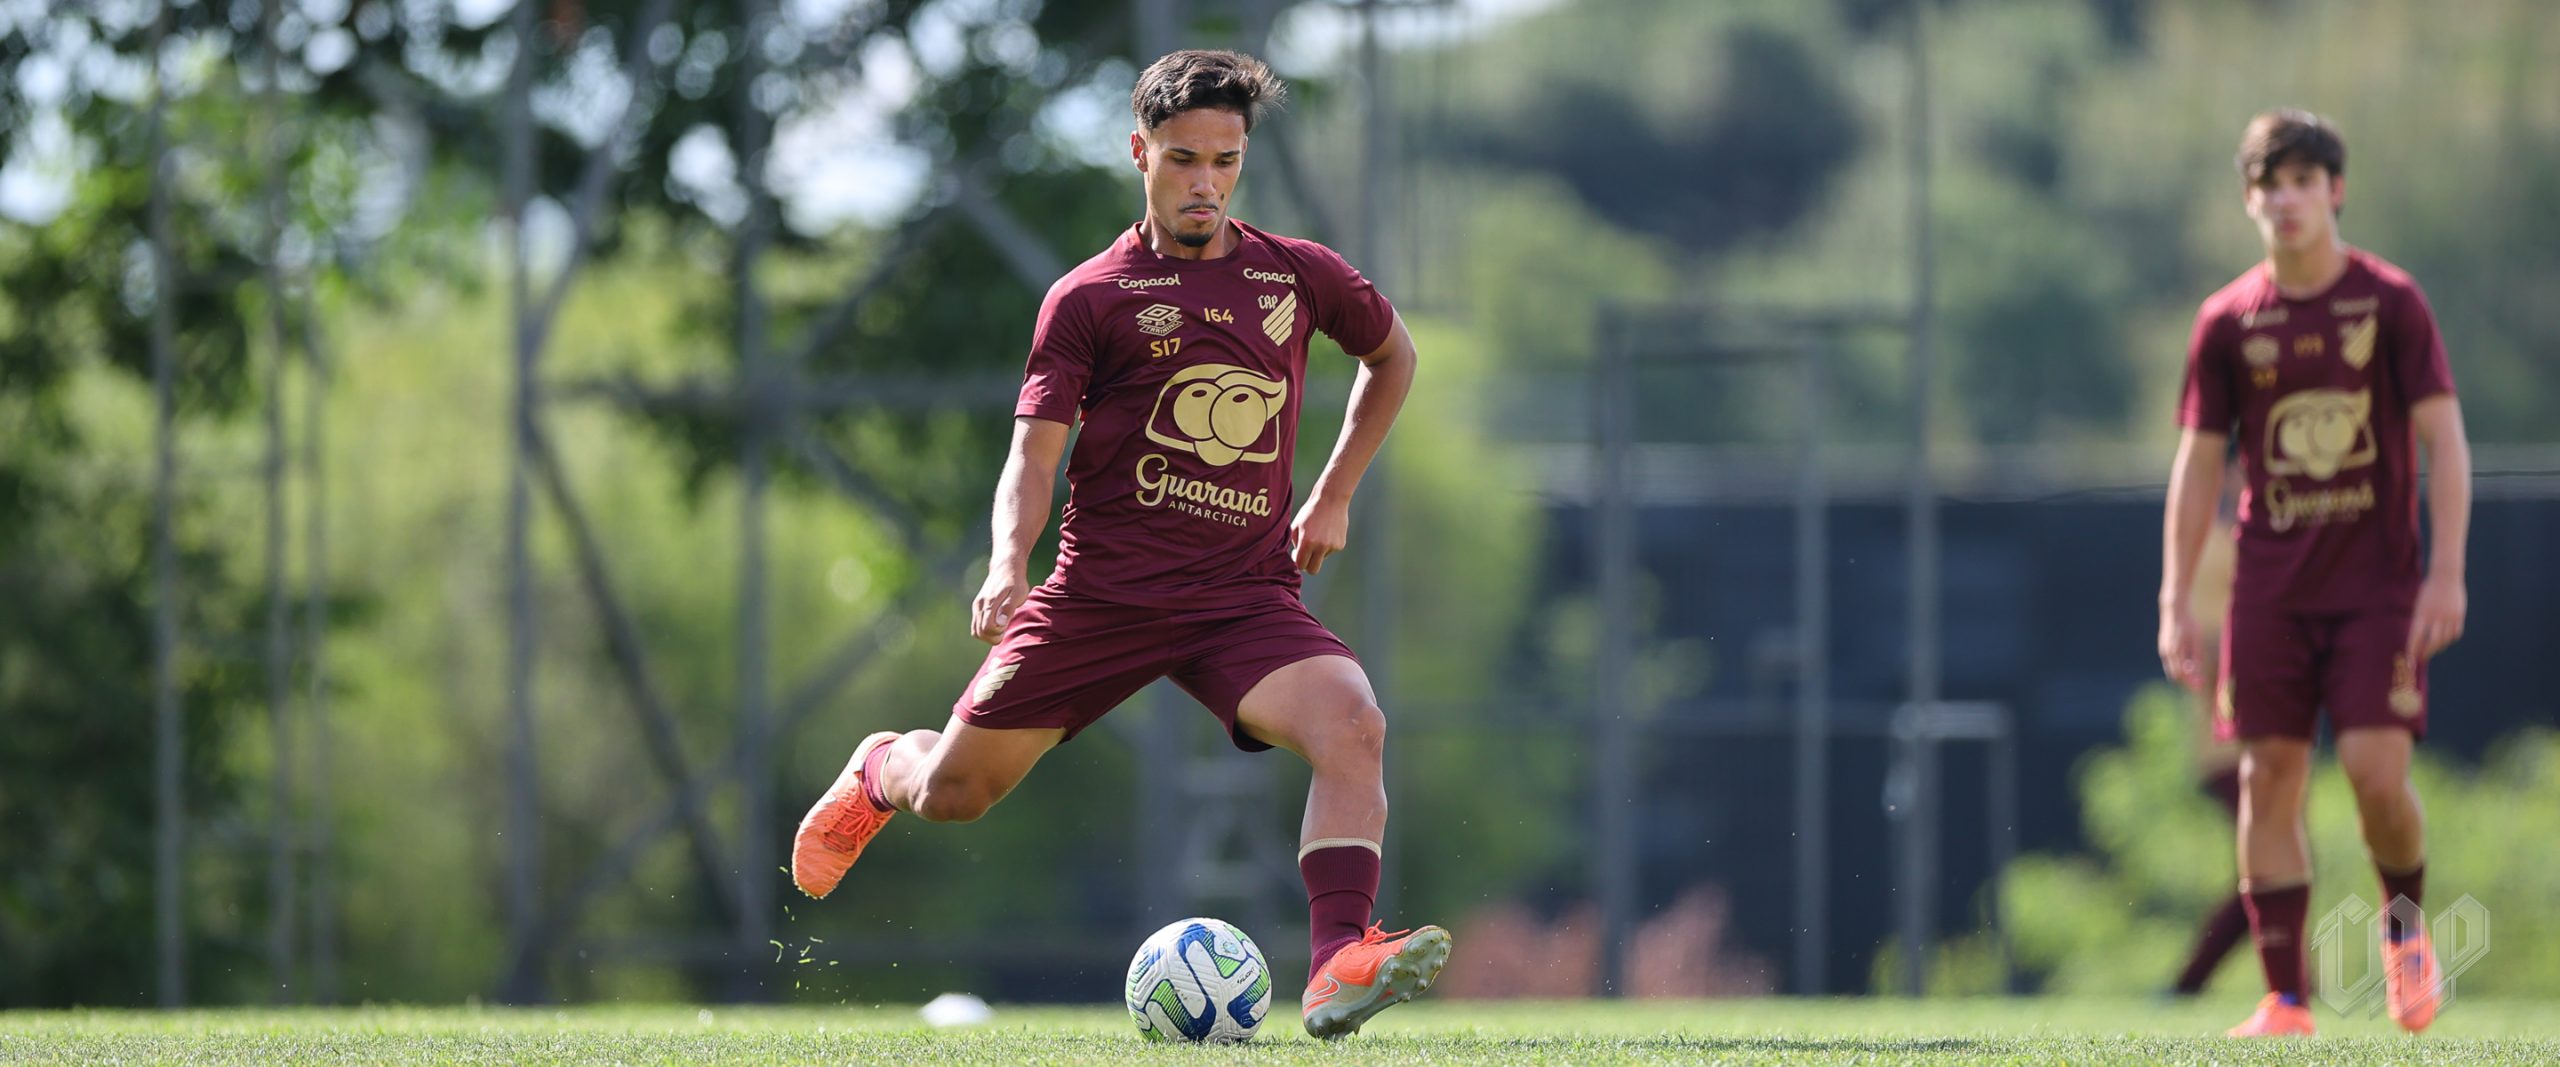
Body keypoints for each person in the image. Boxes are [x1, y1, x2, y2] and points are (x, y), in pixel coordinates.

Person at [787, 48, 1447, 1040]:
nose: (1205, 183)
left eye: (1225, 160)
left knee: (1353, 723)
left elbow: (1391, 355)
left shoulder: (1296, 274)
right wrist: (1007, 563)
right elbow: (1031, 455)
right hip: (1100, 600)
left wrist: (1333, 492)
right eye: (1183, 159)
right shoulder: (1089, 297)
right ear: (1141, 153)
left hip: (1241, 598)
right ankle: (884, 764)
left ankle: (1333, 965)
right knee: (953, 795)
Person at [2158, 108, 2470, 1038]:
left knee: (2377, 774)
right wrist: (2175, 596)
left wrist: (2447, 573)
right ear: (2249, 200)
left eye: (2303, 181)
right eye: (2270, 184)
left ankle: (2405, 934)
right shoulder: (2227, 321)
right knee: (2269, 778)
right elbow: (2197, 466)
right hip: (2269, 592)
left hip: (2376, 588)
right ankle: (2285, 1001)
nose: (2287, 200)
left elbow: (2446, 441)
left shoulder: (2390, 302)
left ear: (2336, 191)